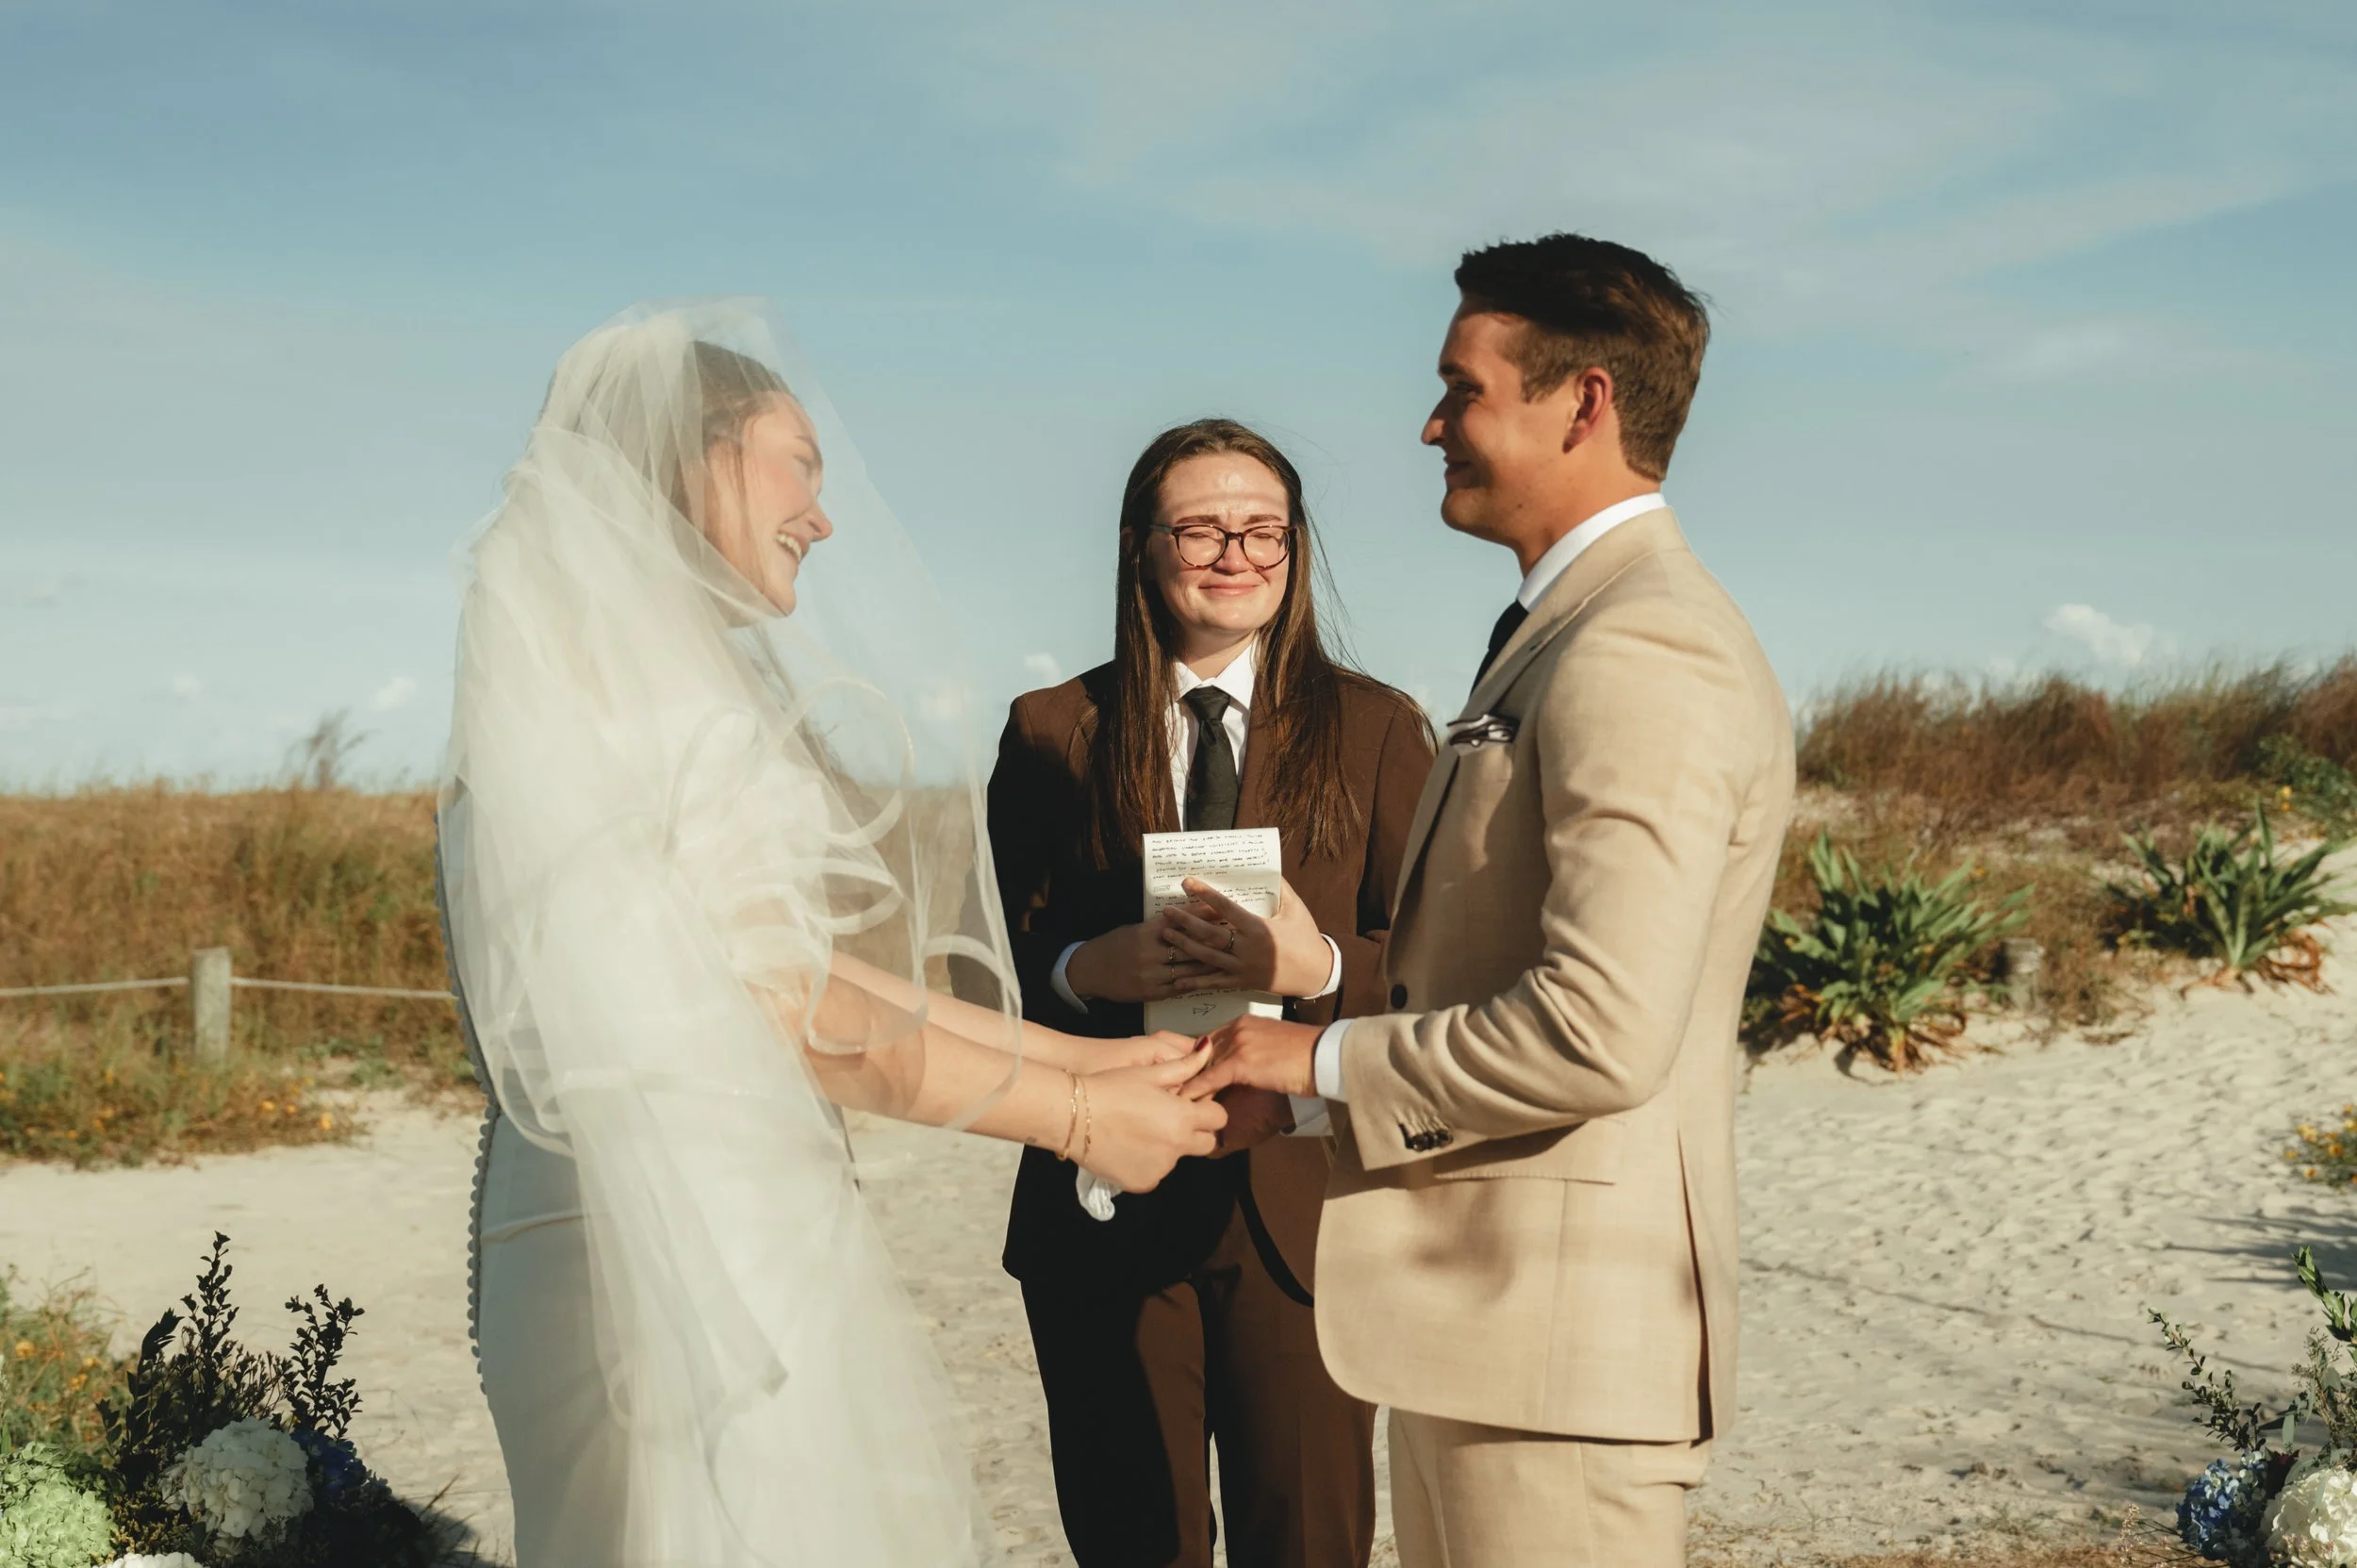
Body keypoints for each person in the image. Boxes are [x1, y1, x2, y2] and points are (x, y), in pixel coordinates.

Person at [437, 302, 1226, 1568]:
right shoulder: (656, 702)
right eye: (798, 464)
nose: (823, 514)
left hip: (598, 1211)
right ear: (694, 457)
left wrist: (1083, 1057)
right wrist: (1076, 1118)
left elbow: (800, 973)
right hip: (681, 1245)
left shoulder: (580, 683)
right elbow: (780, 1012)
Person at [1191, 235, 1797, 1567]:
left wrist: (1319, 1056)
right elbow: (1485, 975)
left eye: (1461, 390)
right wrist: (1305, 1103)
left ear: (1582, 402)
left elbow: (1599, 1029)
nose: (1431, 425)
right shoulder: (1568, 627)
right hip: (1492, 1346)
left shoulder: (1644, 642)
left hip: (1560, 1371)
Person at [987, 419, 1435, 1568]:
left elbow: (1436, 967)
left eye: (1262, 531)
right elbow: (989, 966)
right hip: (1099, 1197)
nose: (1235, 555)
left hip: (1302, 1197)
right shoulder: (1048, 731)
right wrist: (1088, 968)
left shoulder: (1380, 728)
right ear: (1141, 546)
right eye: (1200, 529)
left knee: (1309, 1543)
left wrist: (1313, 966)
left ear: (1294, 547)